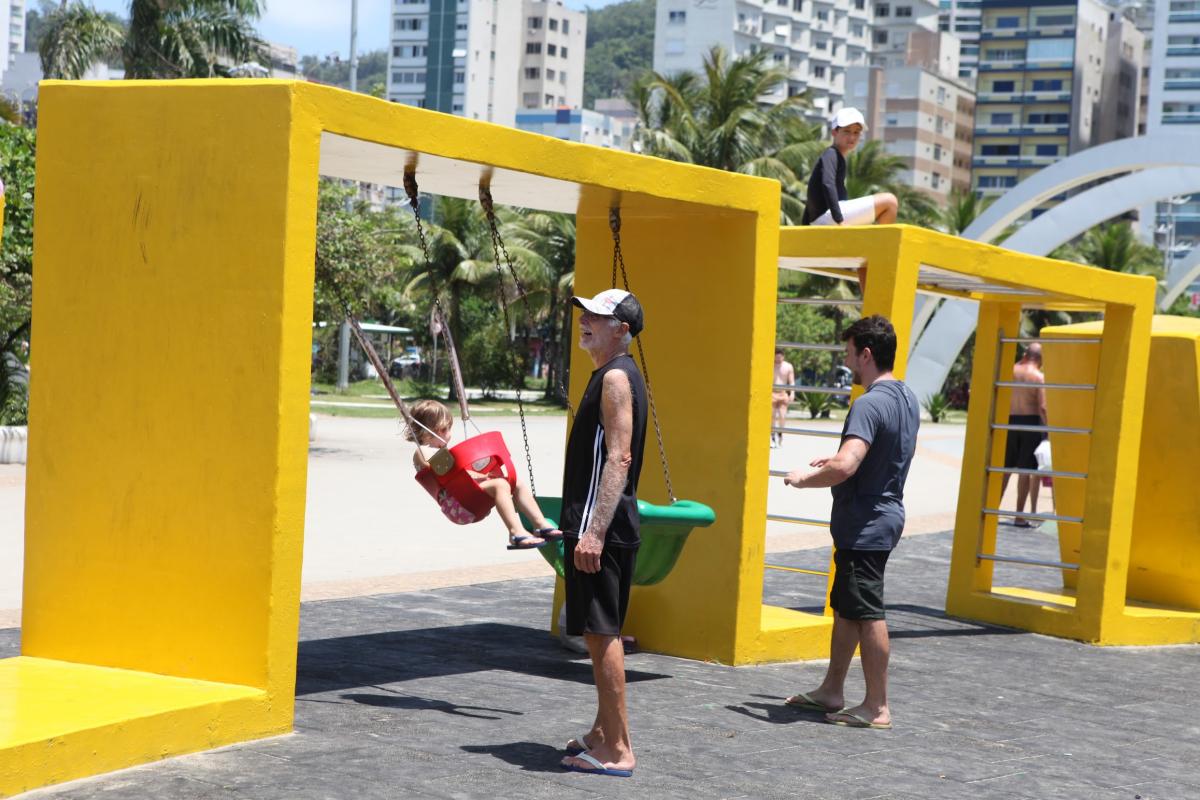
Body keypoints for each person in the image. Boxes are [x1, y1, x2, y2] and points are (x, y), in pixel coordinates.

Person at [781, 315, 919, 730]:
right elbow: (879, 453)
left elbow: (845, 466)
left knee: (868, 612)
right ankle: (831, 690)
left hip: (866, 525)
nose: (847, 362)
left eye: (849, 354)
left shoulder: (869, 403)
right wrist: (841, 459)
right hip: (879, 518)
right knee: (846, 607)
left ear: (866, 354)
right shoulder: (906, 398)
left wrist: (804, 479)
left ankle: (877, 706)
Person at [557, 288, 647, 778]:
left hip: (602, 529)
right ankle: (601, 732)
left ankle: (617, 749)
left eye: (597, 316)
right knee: (599, 632)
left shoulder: (615, 377)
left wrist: (593, 532)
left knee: (601, 634)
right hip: (601, 524)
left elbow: (620, 457)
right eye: (584, 313)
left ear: (622, 330)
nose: (585, 320)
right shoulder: (611, 374)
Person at [406, 399, 561, 549]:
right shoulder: (423, 451)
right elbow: (446, 474)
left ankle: (540, 524)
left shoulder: (439, 452)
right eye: (444, 429)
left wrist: (483, 476)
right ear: (426, 431)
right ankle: (516, 533)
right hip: (457, 505)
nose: (449, 434)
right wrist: (478, 475)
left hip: (465, 497)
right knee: (500, 485)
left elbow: (458, 476)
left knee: (514, 482)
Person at [801, 107, 899, 292]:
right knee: (890, 202)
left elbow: (812, 194)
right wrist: (839, 220)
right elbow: (827, 184)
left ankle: (870, 294)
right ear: (834, 132)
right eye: (846, 131)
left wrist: (805, 227)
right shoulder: (831, 154)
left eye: (856, 132)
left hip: (822, 218)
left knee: (866, 251)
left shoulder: (838, 158)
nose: (852, 137)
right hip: (829, 218)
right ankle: (882, 255)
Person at [1000, 343, 1047, 527]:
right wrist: (1049, 429)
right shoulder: (1038, 377)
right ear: (1040, 359)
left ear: (1025, 355)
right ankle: (1019, 516)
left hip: (1009, 421)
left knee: (1005, 470)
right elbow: (1043, 407)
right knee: (1025, 471)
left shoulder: (1010, 371)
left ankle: (992, 510)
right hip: (1030, 423)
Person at [772, 349, 796, 448]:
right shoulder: (770, 364)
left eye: (780, 357)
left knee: (782, 416)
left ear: (783, 356)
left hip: (783, 393)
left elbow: (791, 381)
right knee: (772, 416)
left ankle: (780, 435)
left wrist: (792, 393)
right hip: (772, 393)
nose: (778, 359)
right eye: (776, 357)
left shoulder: (788, 366)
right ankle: (772, 437)